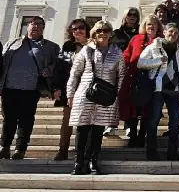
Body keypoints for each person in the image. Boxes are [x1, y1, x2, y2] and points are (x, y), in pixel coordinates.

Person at [66, 21, 125, 175]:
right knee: (82, 129)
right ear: (94, 33)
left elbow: (121, 75)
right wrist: (70, 94)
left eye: (106, 30)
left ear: (111, 33)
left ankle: (92, 161)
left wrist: (115, 95)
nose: (102, 33)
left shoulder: (117, 52)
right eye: (99, 30)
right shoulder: (86, 50)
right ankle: (78, 163)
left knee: (98, 130)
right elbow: (75, 73)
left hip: (105, 95)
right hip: (85, 93)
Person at [0, 16, 60, 160]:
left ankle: (20, 149)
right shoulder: (13, 42)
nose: (37, 27)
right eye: (34, 23)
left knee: (26, 120)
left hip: (31, 89)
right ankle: (5, 147)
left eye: (41, 25)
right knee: (9, 119)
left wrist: (49, 70)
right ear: (28, 25)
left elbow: (57, 64)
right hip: (9, 87)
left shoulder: (51, 47)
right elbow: (2, 61)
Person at [138, 22, 179, 160]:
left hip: (174, 89)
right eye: (170, 31)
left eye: (176, 33)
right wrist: (159, 60)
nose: (173, 35)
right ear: (164, 32)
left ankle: (172, 151)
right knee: (153, 120)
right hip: (158, 88)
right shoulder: (154, 46)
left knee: (175, 121)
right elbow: (140, 63)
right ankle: (151, 151)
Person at [119, 15, 162, 148]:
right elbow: (127, 55)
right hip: (134, 79)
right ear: (144, 26)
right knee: (132, 108)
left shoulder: (161, 41)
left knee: (147, 110)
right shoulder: (136, 39)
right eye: (149, 24)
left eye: (154, 24)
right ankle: (132, 135)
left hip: (152, 81)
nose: (151, 26)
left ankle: (142, 135)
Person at [53, 18, 90, 161]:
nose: (77, 31)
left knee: (85, 122)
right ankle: (63, 150)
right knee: (67, 120)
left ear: (87, 29)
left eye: (81, 28)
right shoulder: (68, 46)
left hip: (88, 89)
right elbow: (60, 68)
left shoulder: (94, 45)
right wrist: (57, 87)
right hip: (72, 89)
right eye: (74, 29)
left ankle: (83, 152)